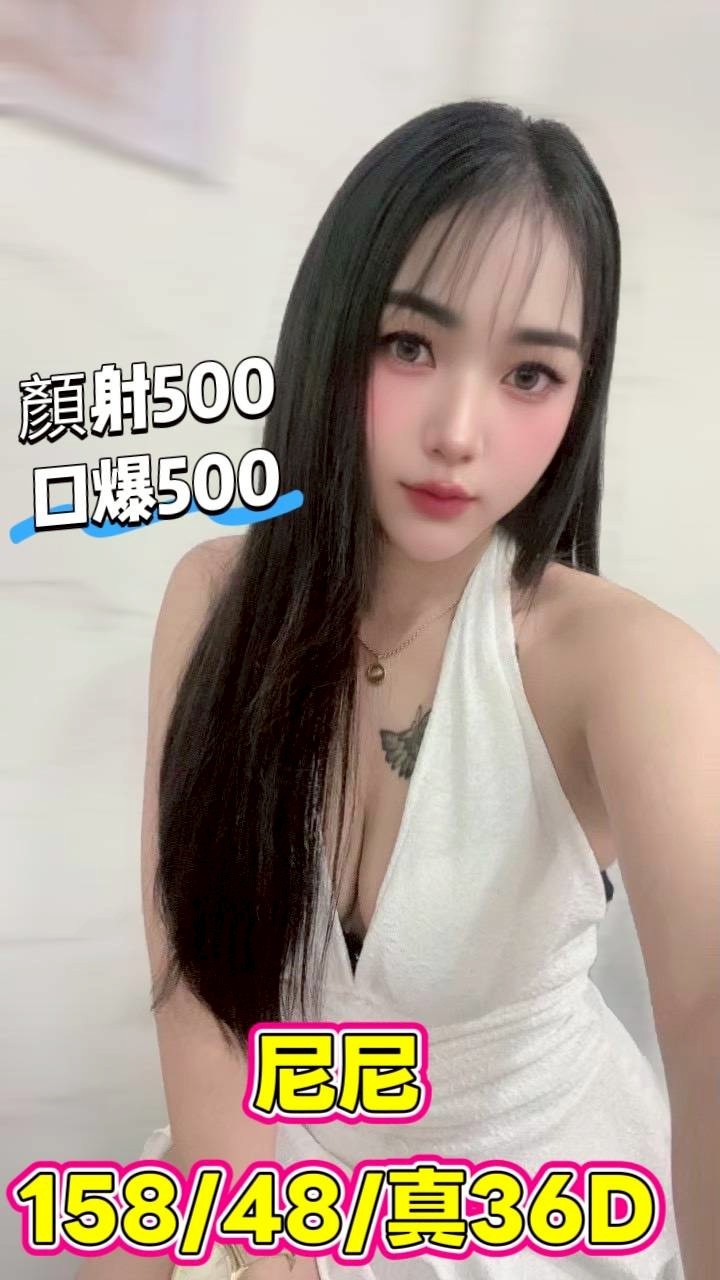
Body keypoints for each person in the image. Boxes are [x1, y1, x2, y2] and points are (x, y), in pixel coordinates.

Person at [77, 100, 719, 1280]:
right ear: (334, 331)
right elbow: (201, 980)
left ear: (579, 399)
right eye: (411, 345)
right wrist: (258, 1252)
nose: (459, 431)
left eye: (530, 372)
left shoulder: (622, 663)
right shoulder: (217, 601)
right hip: (290, 1153)